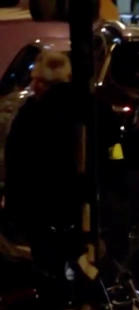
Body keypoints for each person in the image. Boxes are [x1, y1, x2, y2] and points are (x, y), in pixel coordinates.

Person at [3, 51, 83, 274]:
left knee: (50, 264)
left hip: (43, 206)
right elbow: (113, 148)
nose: (34, 85)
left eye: (38, 81)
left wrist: (14, 204)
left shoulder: (33, 114)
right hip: (82, 203)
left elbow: (17, 161)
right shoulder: (92, 107)